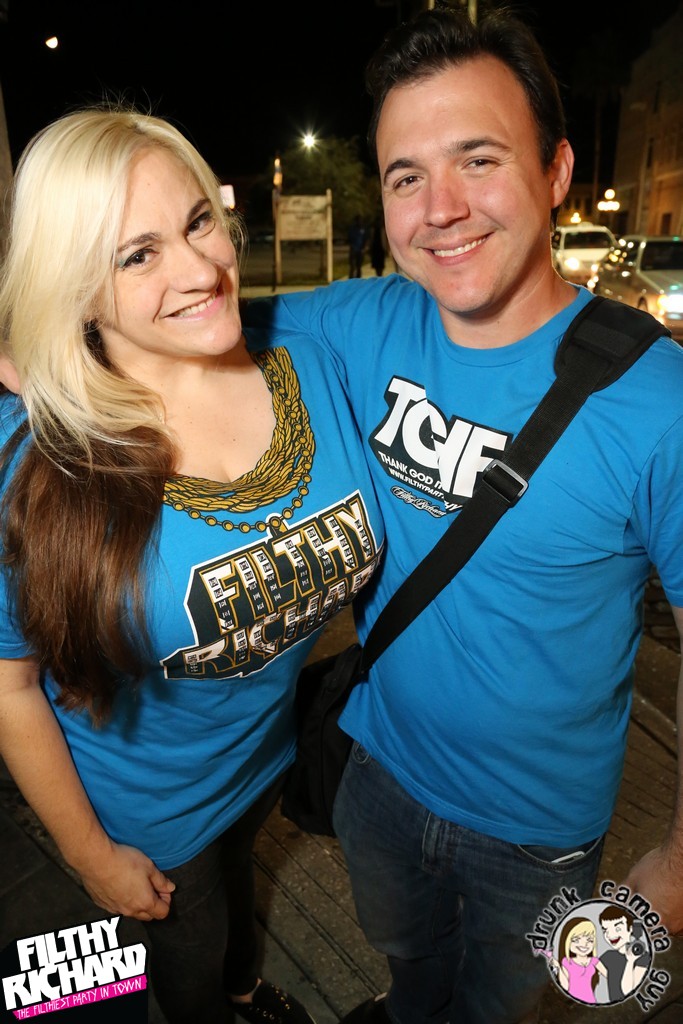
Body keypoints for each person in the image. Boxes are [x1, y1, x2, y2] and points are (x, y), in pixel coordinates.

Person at [244, 6, 683, 1023]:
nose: (438, 209)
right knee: (407, 964)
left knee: (527, 1007)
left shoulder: (658, 402)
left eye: (476, 160)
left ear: (555, 170)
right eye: (405, 176)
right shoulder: (358, 321)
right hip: (374, 777)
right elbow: (185, 317)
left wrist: (670, 871)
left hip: (538, 840)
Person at [0, 108, 384, 1024]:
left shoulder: (310, 358)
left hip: (266, 758)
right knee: (188, 958)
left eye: (198, 221)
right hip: (148, 816)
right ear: (76, 289)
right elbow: (9, 688)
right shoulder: (39, 466)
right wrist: (90, 854)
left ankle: (247, 991)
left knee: (237, 909)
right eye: (137, 255)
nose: (200, 269)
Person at [599, 906, 651, 1001]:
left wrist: (630, 961)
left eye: (618, 929)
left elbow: (628, 992)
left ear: (630, 929)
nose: (610, 935)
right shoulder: (608, 956)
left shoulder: (643, 957)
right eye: (605, 930)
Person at [551, 917, 606, 1004]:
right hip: (571, 1002)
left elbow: (610, 976)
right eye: (576, 940)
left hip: (590, 1001)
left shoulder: (594, 961)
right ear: (567, 941)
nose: (584, 944)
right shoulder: (566, 962)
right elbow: (565, 986)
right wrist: (558, 967)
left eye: (590, 940)